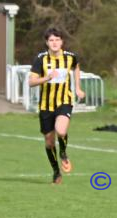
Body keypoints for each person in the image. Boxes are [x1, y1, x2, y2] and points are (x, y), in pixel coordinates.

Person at [29, 28, 85, 184]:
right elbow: (31, 82)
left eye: (57, 40)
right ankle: (55, 172)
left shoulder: (70, 57)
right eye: (51, 40)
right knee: (48, 141)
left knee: (61, 130)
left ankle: (64, 153)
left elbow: (77, 67)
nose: (55, 43)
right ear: (47, 42)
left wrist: (78, 88)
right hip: (46, 106)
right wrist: (46, 77)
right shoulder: (40, 59)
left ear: (62, 42)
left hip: (64, 101)